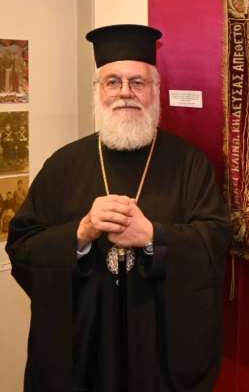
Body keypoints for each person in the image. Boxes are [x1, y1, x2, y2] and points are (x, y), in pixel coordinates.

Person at [6, 24, 232, 392]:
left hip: (159, 352)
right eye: (113, 82)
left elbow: (216, 240)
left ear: (155, 90)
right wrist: (80, 234)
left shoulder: (190, 164)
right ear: (98, 91)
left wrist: (154, 237)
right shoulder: (63, 165)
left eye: (137, 82)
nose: (125, 92)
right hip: (83, 350)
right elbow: (22, 246)